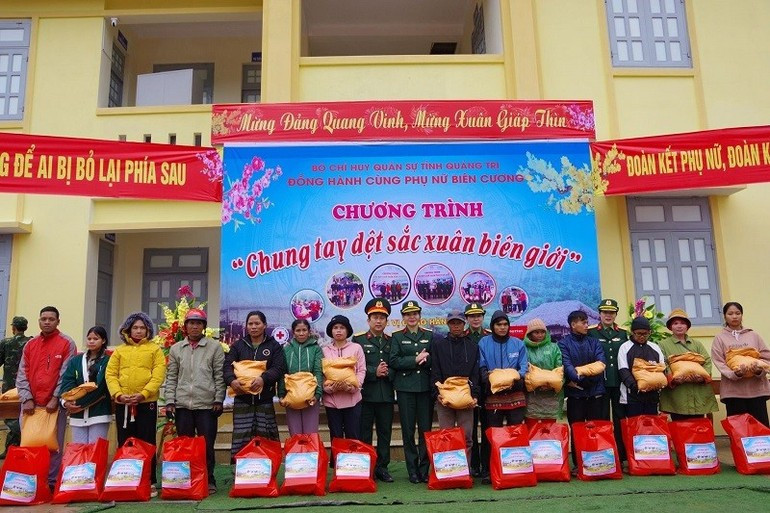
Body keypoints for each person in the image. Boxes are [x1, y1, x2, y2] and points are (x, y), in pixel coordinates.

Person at [15, 306, 77, 488]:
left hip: (54, 405)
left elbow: (66, 375)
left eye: (51, 319)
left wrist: (56, 398)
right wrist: (26, 398)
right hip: (30, 406)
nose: (47, 322)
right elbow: (22, 373)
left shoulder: (67, 343)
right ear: (39, 321)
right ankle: (31, 482)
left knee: (54, 446)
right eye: (44, 319)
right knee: (29, 443)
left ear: (58, 321)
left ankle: (51, 482)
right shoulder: (30, 344)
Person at [164, 308, 225, 493]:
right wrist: (169, 401)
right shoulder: (176, 349)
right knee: (185, 446)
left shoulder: (214, 347)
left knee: (207, 446)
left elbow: (219, 376)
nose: (195, 327)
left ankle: (209, 480)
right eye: (191, 323)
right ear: (185, 327)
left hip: (207, 405)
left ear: (204, 327)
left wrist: (219, 399)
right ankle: (186, 480)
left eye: (198, 323)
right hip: (182, 405)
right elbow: (172, 377)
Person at [106, 312, 166, 494]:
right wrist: (118, 394)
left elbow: (158, 375)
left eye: (142, 328)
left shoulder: (155, 350)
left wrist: (144, 394)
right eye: (135, 328)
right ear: (128, 329)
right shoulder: (119, 351)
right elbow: (111, 374)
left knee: (147, 440)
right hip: (123, 404)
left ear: (148, 330)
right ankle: (125, 480)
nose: (139, 331)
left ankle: (149, 481)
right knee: (125, 441)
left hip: (146, 403)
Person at [224, 310, 286, 459]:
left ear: (264, 325)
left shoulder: (273, 346)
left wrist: (263, 379)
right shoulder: (238, 346)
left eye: (257, 323)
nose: (253, 327)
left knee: (266, 438)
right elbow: (226, 367)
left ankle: (267, 473)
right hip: (242, 400)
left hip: (264, 401)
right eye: (250, 324)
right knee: (242, 438)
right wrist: (232, 381)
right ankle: (240, 474)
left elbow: (279, 368)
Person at [389, 300, 434, 484]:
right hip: (405, 388)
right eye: (408, 314)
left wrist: (427, 360)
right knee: (408, 431)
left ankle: (424, 469)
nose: (412, 317)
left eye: (415, 313)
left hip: (424, 388)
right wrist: (415, 359)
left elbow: (435, 360)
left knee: (425, 430)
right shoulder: (397, 337)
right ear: (403, 317)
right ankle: (412, 471)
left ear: (419, 315)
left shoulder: (429, 335)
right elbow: (394, 361)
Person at [353, 298, 396, 482]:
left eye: (382, 317)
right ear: (368, 320)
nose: (378, 321)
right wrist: (373, 372)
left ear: (387, 321)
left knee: (384, 433)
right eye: (374, 317)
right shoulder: (359, 340)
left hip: (386, 395)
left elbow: (396, 363)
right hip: (365, 395)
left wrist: (388, 372)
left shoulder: (392, 340)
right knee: (364, 433)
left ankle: (382, 467)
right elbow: (354, 367)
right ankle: (366, 466)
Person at [558, 310, 605, 468]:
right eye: (583, 322)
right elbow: (567, 366)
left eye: (587, 322)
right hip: (575, 396)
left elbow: (601, 364)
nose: (587, 325)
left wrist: (588, 380)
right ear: (573, 324)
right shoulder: (563, 344)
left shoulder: (594, 342)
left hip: (595, 393)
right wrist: (580, 378)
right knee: (577, 430)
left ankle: (596, 462)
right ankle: (579, 465)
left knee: (595, 430)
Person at [711, 302, 770, 427]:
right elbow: (719, 361)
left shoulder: (754, 336)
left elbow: (766, 357)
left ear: (742, 315)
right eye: (730, 313)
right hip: (734, 392)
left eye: (738, 313)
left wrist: (759, 370)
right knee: (739, 429)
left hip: (756, 391)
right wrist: (734, 373)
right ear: (725, 316)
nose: (734, 316)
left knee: (760, 428)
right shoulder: (720, 338)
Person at [431, 310, 480, 454]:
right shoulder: (439, 345)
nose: (456, 326)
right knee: (446, 435)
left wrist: (475, 395)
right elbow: (435, 371)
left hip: (466, 398)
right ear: (448, 325)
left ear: (464, 324)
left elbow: (475, 373)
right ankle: (448, 472)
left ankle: (465, 472)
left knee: (467, 437)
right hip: (445, 398)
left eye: (459, 323)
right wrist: (437, 394)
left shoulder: (472, 346)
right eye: (453, 323)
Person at [658, 309, 718, 421]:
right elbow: (663, 363)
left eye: (682, 323)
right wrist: (673, 378)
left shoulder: (697, 344)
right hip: (678, 393)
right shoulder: (663, 344)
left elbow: (707, 361)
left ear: (687, 326)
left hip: (698, 391)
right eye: (675, 323)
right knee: (680, 425)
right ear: (670, 327)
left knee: (698, 423)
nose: (679, 326)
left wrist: (702, 377)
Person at [588, 298, 628, 461]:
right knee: (601, 418)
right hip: (600, 383)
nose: (608, 315)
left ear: (616, 314)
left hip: (619, 382)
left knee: (620, 418)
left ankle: (622, 455)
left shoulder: (624, 333)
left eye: (611, 313)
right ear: (599, 314)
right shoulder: (592, 333)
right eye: (605, 312)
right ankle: (604, 454)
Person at [60, 326, 112, 443]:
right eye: (89, 338)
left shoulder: (108, 360)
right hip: (77, 415)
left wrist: (77, 403)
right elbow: (67, 382)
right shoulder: (76, 361)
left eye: (96, 338)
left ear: (103, 341)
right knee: (78, 451)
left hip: (99, 412)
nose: (91, 341)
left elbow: (101, 386)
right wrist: (66, 402)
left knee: (96, 450)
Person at [323, 315, 366, 445]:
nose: (338, 331)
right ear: (331, 331)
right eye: (335, 328)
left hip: (353, 399)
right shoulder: (324, 350)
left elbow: (361, 370)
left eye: (342, 328)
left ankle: (354, 465)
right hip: (332, 400)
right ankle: (337, 464)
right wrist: (326, 388)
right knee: (336, 436)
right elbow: (321, 373)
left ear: (347, 331)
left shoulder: (356, 348)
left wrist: (354, 386)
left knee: (353, 435)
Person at [279, 318, 323, 435]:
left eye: (304, 330)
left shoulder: (316, 349)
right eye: (298, 330)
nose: (302, 333)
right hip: (291, 396)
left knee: (310, 434)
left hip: (310, 397)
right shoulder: (286, 349)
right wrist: (281, 395)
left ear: (309, 331)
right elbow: (283, 373)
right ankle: (296, 453)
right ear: (293, 332)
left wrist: (317, 395)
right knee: (295, 434)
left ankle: (311, 454)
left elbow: (318, 372)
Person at [617, 317, 665, 417]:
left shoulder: (655, 347)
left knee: (651, 427)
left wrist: (654, 384)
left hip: (652, 397)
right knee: (634, 427)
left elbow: (661, 368)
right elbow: (623, 370)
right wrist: (636, 387)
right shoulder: (625, 347)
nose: (642, 337)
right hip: (631, 397)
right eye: (638, 333)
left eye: (645, 334)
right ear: (632, 332)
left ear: (650, 332)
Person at [463, 302, 490, 477]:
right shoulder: (463, 337)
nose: (475, 319)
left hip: (488, 388)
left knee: (487, 426)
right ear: (467, 319)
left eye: (478, 315)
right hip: (469, 389)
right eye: (472, 316)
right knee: (470, 429)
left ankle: (487, 465)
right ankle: (473, 465)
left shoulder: (489, 336)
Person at [0, 316, 31, 458]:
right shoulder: (31, 342)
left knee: (11, 417)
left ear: (13, 328)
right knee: (24, 416)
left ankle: (13, 450)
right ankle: (15, 448)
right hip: (27, 385)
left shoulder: (6, 342)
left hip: (10, 385)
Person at [523, 318, 563, 421]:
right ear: (530, 334)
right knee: (532, 429)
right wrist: (535, 384)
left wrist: (550, 384)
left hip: (551, 393)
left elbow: (559, 368)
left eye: (542, 332)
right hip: (532, 394)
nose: (540, 335)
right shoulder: (524, 348)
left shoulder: (554, 348)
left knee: (549, 430)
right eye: (536, 332)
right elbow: (523, 368)